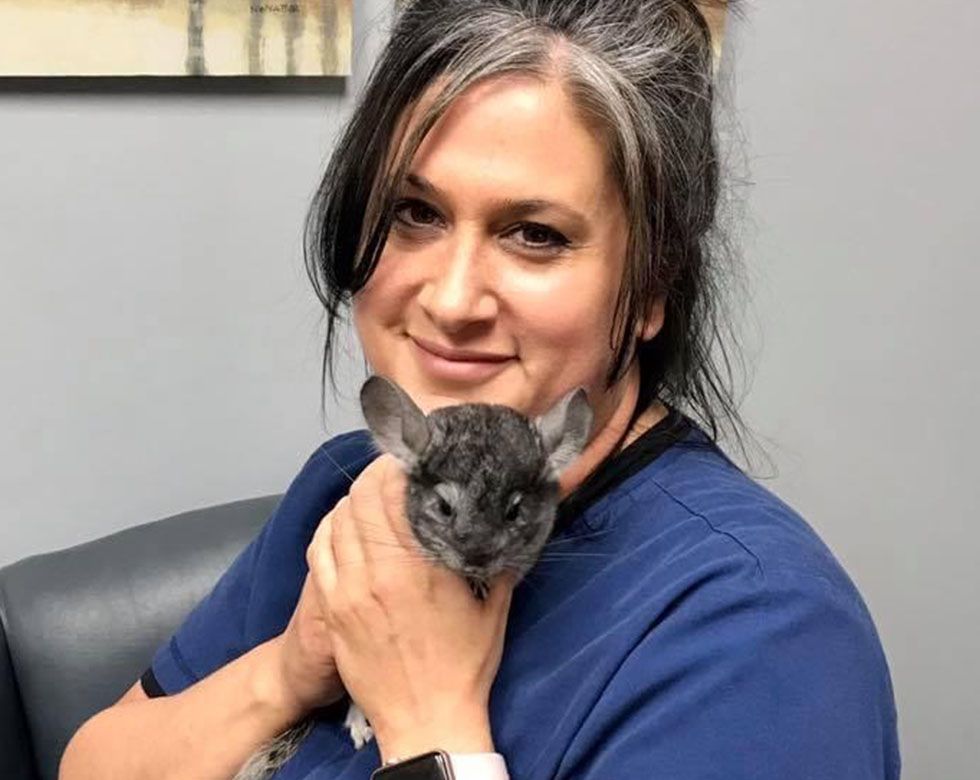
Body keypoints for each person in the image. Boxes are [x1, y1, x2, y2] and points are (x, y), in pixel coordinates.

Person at [59, 1, 901, 778]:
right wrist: (289, 670)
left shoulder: (758, 632)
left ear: (653, 287)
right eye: (414, 213)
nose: (452, 300)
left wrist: (431, 720)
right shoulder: (349, 489)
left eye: (535, 234)